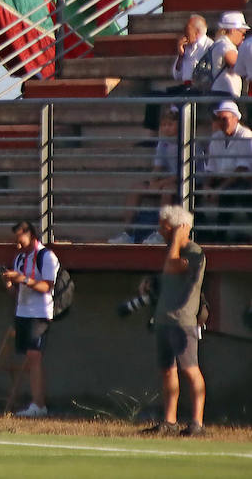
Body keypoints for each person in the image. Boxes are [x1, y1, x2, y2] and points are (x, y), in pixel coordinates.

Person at [142, 205, 207, 436]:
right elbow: (168, 277)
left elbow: (173, 266)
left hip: (182, 322)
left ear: (178, 228)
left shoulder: (192, 252)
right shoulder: (171, 251)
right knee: (167, 370)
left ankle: (197, 423)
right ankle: (169, 422)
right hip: (163, 319)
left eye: (164, 227)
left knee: (190, 369)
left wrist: (179, 237)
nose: (160, 231)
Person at [0, 221, 58, 417]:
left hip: (40, 313)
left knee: (35, 356)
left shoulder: (46, 256)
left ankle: (39, 405)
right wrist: (9, 284)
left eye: (20, 240)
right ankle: (37, 402)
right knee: (30, 358)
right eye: (14, 241)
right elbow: (18, 295)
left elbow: (47, 287)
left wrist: (23, 279)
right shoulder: (19, 259)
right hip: (23, 312)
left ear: (31, 235)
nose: (17, 245)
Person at [110, 108, 181, 244]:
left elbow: (182, 173)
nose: (166, 128)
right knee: (136, 188)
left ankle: (161, 234)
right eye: (164, 125)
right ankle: (128, 233)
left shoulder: (186, 142)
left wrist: (160, 184)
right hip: (167, 180)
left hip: (185, 180)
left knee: (167, 190)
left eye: (170, 124)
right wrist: (153, 181)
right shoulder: (163, 143)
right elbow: (157, 167)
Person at [202, 100, 252, 243]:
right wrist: (207, 186)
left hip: (241, 179)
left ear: (236, 118)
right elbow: (211, 166)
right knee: (194, 192)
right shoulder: (216, 137)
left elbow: (241, 169)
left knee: (230, 193)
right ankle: (204, 234)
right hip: (223, 179)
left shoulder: (245, 135)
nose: (221, 123)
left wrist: (219, 189)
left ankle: (221, 236)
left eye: (224, 119)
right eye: (219, 119)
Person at [208, 11, 247, 98]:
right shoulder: (226, 45)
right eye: (243, 33)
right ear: (233, 30)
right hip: (224, 93)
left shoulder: (219, 43)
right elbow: (238, 66)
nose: (243, 37)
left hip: (223, 92)